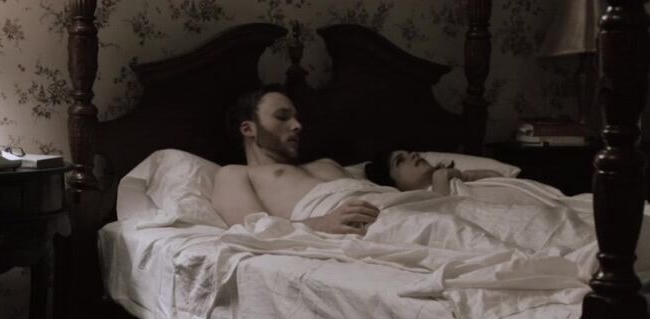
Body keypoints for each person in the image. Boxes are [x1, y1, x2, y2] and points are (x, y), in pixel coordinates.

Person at [210, 85, 381, 234]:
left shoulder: (326, 163)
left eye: (296, 119)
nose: (297, 126)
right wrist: (321, 224)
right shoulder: (235, 173)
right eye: (282, 117)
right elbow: (254, 230)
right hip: (366, 228)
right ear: (248, 129)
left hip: (388, 207)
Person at [362, 149, 503, 193]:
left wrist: (464, 175)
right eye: (400, 161)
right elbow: (441, 212)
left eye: (410, 152)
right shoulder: (416, 203)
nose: (414, 154)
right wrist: (440, 177)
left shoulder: (455, 177)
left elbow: (498, 178)